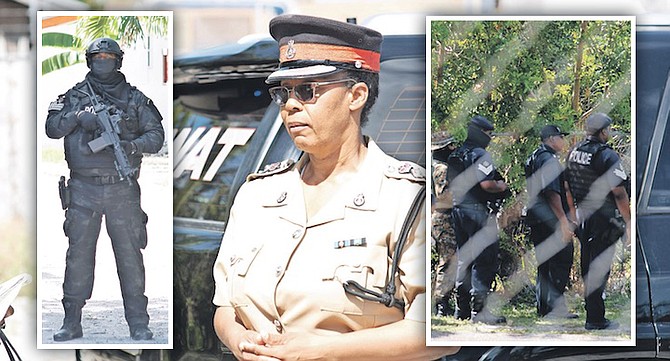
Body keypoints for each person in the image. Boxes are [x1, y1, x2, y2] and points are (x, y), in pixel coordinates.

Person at [212, 14, 459, 360]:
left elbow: (441, 334)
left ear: (356, 95)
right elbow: (224, 307)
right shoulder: (257, 196)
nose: (291, 105)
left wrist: (322, 350)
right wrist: (238, 339)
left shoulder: (408, 198)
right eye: (283, 93)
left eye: (307, 90)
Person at [45, 37, 165, 341]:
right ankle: (72, 320)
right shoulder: (73, 96)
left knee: (129, 257)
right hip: (83, 189)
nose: (103, 61)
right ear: (89, 61)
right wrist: (76, 117)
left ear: (118, 61)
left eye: (109, 57)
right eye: (97, 57)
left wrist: (131, 144)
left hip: (122, 189)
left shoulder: (136, 99)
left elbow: (157, 136)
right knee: (78, 257)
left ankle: (138, 322)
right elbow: (51, 128)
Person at [565, 112, 630, 330]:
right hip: (604, 218)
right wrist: (629, 222)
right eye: (609, 129)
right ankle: (595, 318)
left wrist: (573, 213)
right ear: (603, 131)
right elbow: (619, 193)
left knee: (588, 264)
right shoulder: (607, 155)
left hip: (583, 216)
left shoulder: (573, 152)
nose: (610, 133)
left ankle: (592, 312)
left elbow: (568, 187)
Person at [446, 116, 510, 324]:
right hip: (477, 212)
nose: (490, 138)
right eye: (489, 134)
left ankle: (461, 309)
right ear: (482, 133)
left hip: (458, 210)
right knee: (484, 259)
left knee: (465, 259)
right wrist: (502, 187)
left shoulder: (456, 153)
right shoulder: (479, 154)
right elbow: (487, 185)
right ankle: (479, 312)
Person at [524, 125, 578, 319]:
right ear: (551, 138)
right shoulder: (548, 160)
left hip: (536, 217)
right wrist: (563, 220)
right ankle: (556, 308)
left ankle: (544, 308)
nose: (563, 142)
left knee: (545, 263)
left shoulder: (535, 156)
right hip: (550, 218)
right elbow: (552, 193)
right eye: (561, 137)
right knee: (561, 260)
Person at [431, 132, 458, 317]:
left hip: (447, 218)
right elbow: (443, 196)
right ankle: (441, 303)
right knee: (446, 262)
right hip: (443, 219)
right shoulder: (441, 168)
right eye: (451, 145)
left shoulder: (443, 166)